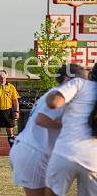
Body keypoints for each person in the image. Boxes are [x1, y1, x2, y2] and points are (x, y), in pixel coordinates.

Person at [9, 64, 86, 196]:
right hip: (34, 152)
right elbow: (41, 119)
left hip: (35, 151)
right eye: (82, 80)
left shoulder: (57, 94)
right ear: (68, 80)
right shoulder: (59, 96)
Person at [45, 63, 97, 196]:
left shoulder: (79, 83)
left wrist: (55, 92)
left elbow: (54, 102)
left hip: (66, 152)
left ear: (92, 73)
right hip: (92, 158)